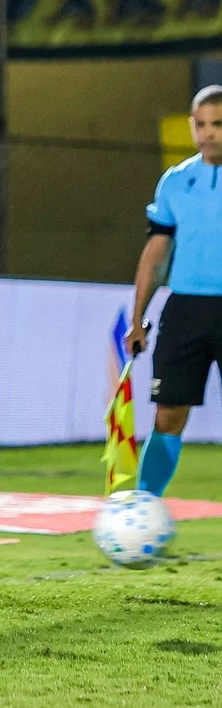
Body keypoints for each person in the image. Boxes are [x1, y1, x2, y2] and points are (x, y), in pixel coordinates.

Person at [125, 84, 222, 498]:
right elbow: (156, 254)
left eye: (217, 124)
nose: (208, 133)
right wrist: (137, 319)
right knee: (167, 415)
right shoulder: (175, 182)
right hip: (184, 312)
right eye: (200, 125)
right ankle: (143, 510)